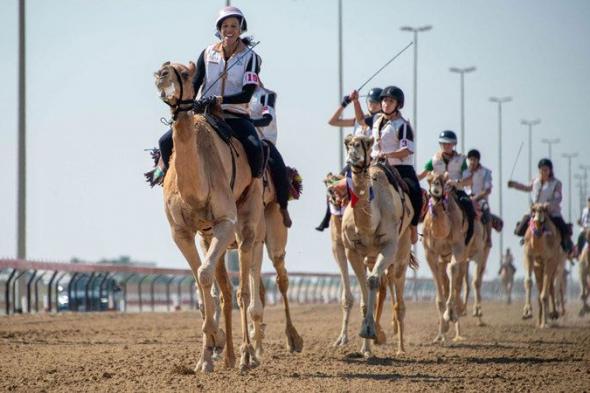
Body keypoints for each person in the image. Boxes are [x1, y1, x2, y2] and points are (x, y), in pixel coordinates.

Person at [145, 6, 264, 186]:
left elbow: (247, 94)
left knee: (256, 150)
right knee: (164, 142)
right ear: (219, 29)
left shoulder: (251, 58)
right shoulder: (207, 53)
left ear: (240, 29)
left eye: (233, 26)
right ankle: (169, 183)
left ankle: (254, 191)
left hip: (236, 117)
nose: (229, 30)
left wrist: (219, 100)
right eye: (225, 26)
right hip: (205, 115)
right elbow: (195, 84)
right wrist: (180, 99)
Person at [355, 85, 422, 244]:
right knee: (351, 181)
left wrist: (388, 155)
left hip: (400, 168)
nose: (386, 103)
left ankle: (413, 227)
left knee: (416, 193)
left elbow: (407, 150)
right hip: (375, 165)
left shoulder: (403, 125)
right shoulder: (377, 120)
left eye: (390, 101)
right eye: (384, 100)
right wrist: (355, 101)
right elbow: (360, 120)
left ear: (398, 104)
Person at [315, 87, 383, 231]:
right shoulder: (357, 120)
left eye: (376, 102)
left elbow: (362, 120)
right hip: (351, 163)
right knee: (333, 185)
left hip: (368, 164)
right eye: (371, 102)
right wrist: (344, 104)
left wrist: (355, 101)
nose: (373, 105)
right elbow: (333, 121)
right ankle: (329, 218)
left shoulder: (379, 120)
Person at [418, 130, 475, 245]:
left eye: (449, 144)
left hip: (456, 191)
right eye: (444, 144)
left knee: (469, 206)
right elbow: (422, 174)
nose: (446, 146)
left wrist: (457, 182)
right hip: (437, 192)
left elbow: (469, 179)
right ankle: (422, 233)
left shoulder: (461, 160)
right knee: (421, 205)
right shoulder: (434, 159)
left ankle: (469, 234)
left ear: (454, 145)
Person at [508, 158, 573, 252]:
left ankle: (566, 246)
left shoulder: (556, 183)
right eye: (541, 169)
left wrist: (548, 205)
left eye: (546, 169)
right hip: (535, 211)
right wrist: (514, 185)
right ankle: (526, 241)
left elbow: (558, 198)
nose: (543, 172)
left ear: (550, 170)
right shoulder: (535, 181)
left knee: (564, 229)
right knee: (519, 230)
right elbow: (527, 188)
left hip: (550, 212)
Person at [249, 83, 292, 227]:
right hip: (236, 136)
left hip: (262, 140)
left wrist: (248, 123)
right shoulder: (231, 91)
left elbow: (267, 118)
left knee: (279, 168)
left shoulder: (266, 95)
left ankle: (283, 206)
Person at [463, 149, 493, 244]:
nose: (472, 162)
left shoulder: (485, 172)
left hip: (479, 199)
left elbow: (487, 190)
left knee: (486, 209)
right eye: (470, 159)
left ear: (478, 160)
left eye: (474, 160)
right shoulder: (464, 172)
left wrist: (475, 198)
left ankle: (488, 237)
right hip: (465, 197)